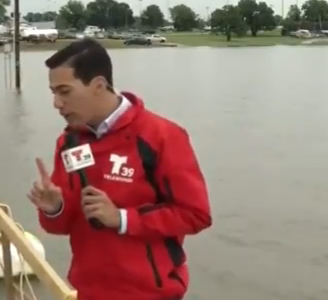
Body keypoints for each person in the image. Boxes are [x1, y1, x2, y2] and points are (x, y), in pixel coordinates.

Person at [27, 38, 212, 300]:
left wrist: (123, 219)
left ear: (99, 86)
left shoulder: (160, 136)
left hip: (149, 293)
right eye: (53, 93)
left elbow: (196, 215)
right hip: (88, 290)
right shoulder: (69, 142)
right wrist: (53, 208)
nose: (57, 103)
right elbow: (61, 227)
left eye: (64, 91)